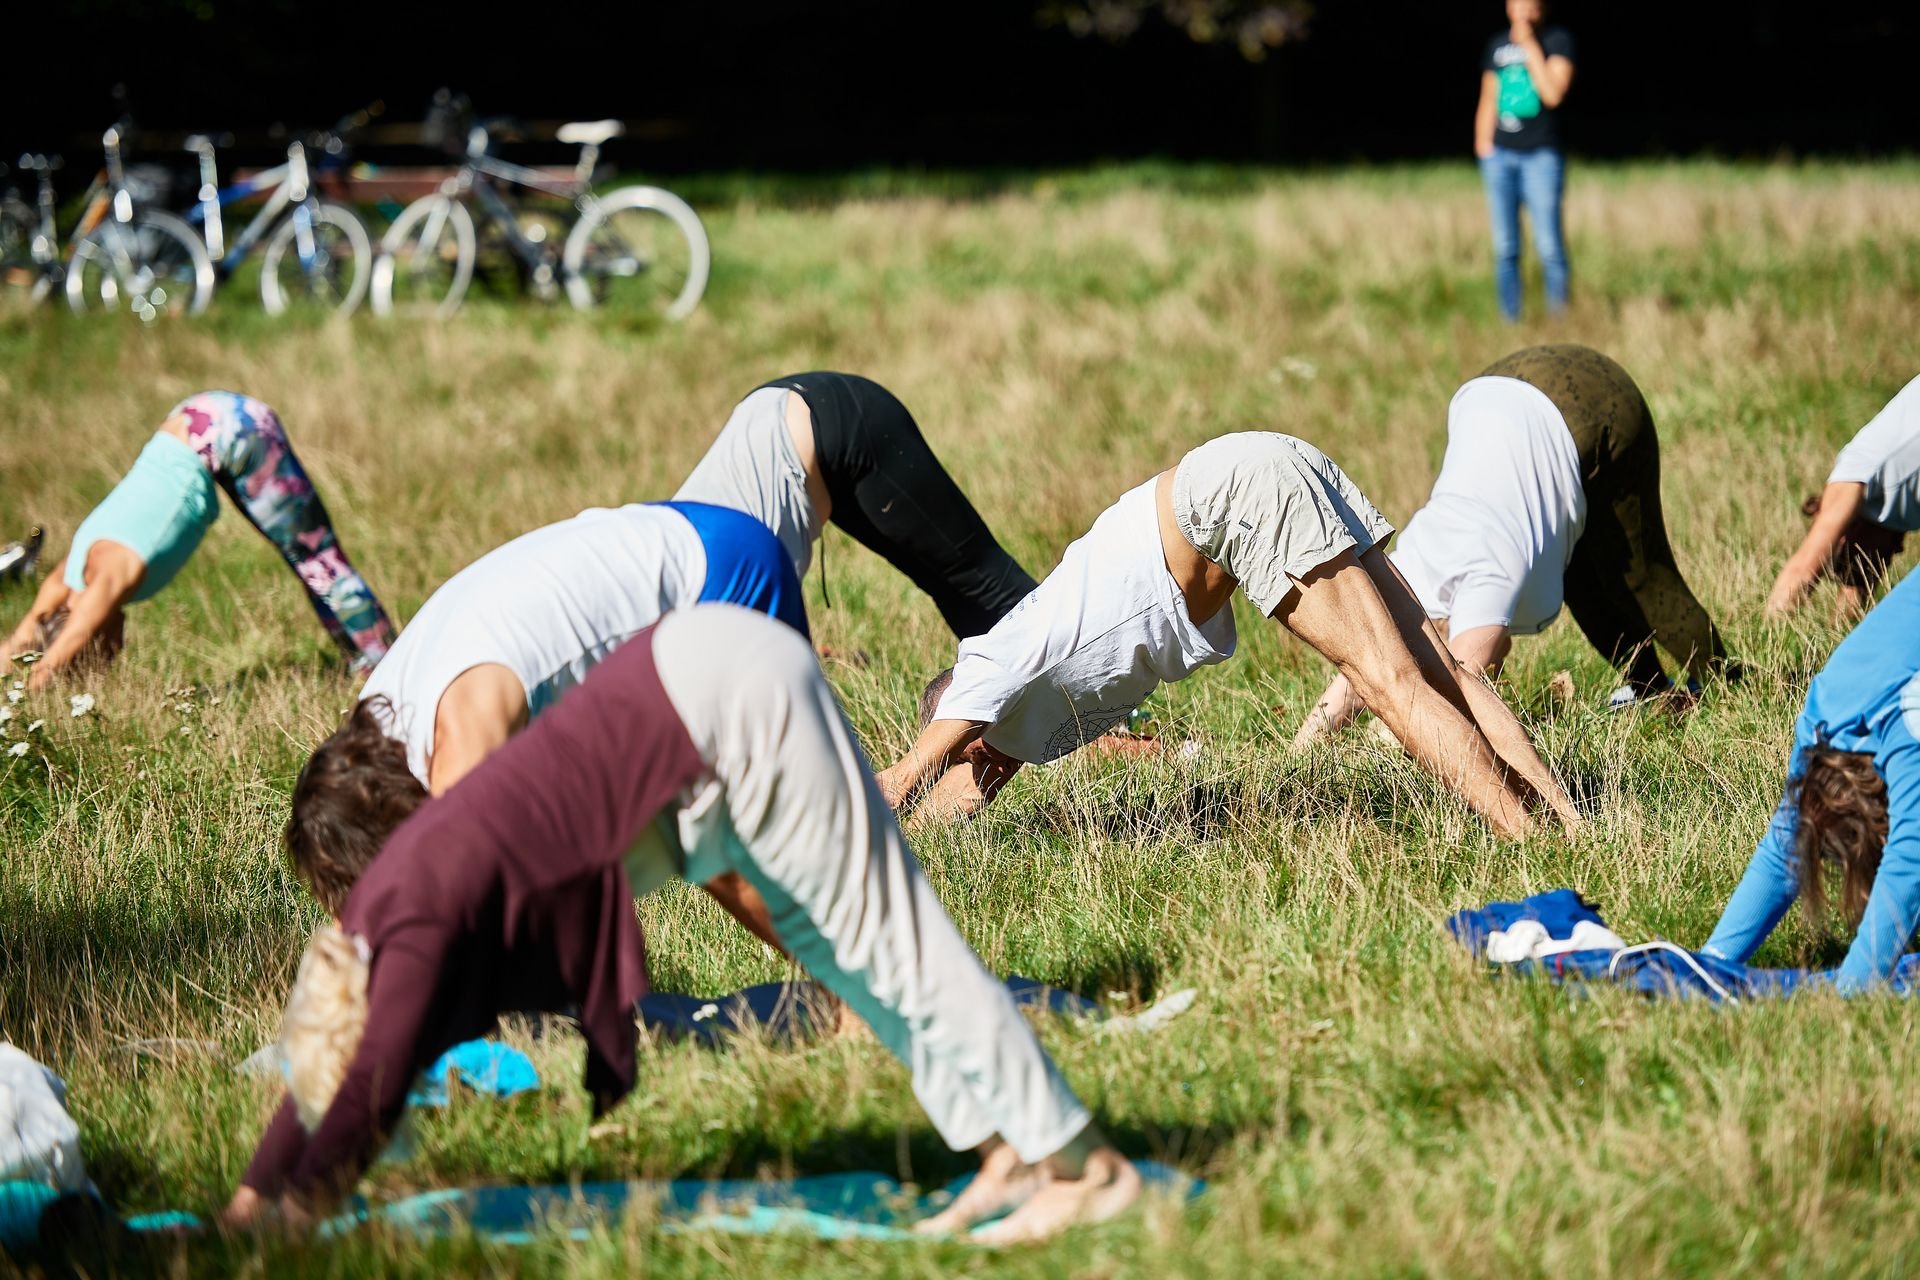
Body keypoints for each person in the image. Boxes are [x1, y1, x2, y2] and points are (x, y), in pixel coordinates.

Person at [226, 606, 1141, 1243]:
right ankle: (1005, 1151)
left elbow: (370, 1076)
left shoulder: (418, 900)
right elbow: (330, 1067)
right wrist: (251, 1200)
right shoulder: (401, 899)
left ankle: (1083, 1166)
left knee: (887, 938)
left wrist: (287, 1213)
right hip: (695, 724)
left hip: (726, 694)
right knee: (840, 950)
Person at [879, 432, 1581, 837]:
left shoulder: (994, 661)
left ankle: (1526, 841)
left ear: (965, 729)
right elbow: (967, 795)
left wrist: (903, 784)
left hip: (1229, 496)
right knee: (1438, 670)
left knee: (1389, 683)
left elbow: (917, 770)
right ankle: (1566, 829)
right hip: (1258, 466)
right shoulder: (1023, 729)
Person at [287, 499, 806, 948]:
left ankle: (847, 990)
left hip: (718, 580)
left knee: (704, 832)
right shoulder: (376, 730)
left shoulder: (464, 752)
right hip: (664, 535)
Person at [1302, 345, 1735, 734]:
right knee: (1578, 572)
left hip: (1592, 401)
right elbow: (1361, 671)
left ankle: (1729, 685)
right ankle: (1653, 691)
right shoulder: (1405, 568)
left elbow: (1464, 690)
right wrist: (1305, 750)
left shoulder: (1490, 577)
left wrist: (1391, 742)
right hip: (1500, 384)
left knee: (1639, 577)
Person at [3, 392, 392, 687]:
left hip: (226, 432)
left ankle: (391, 673)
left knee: (317, 559)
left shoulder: (108, 578)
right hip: (195, 419)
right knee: (305, 559)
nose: (118, 651)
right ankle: (364, 663)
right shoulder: (66, 578)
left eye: (105, 657)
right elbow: (21, 638)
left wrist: (37, 686)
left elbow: (70, 638)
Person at [674, 372, 1035, 639]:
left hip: (835, 422)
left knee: (984, 581)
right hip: (779, 423)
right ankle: (1023, 703)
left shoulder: (703, 605)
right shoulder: (674, 597)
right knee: (948, 584)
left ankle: (1067, 692)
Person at [1703, 568, 1920, 990]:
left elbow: (1910, 859)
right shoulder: (1822, 720)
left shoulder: (1909, 724)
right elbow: (1784, 848)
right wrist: (1709, 965)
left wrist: (1853, 989)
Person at [1765, 373, 1919, 620]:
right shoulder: (1888, 509)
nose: (1899, 550)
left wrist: (1770, 627)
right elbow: (1853, 598)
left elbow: (1802, 572)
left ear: (1843, 534)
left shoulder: (1853, 478)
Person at [1474, 0, 1576, 322]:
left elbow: (1553, 94)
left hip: (1540, 155)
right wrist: (1483, 147)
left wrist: (1530, 46)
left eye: (1532, 6)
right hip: (1500, 156)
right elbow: (1488, 97)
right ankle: (1510, 320)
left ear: (1543, 8)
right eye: (1519, 5)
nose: (1525, 12)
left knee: (1549, 245)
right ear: (1508, 7)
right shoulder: (1497, 45)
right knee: (1506, 246)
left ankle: (1560, 319)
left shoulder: (1557, 41)